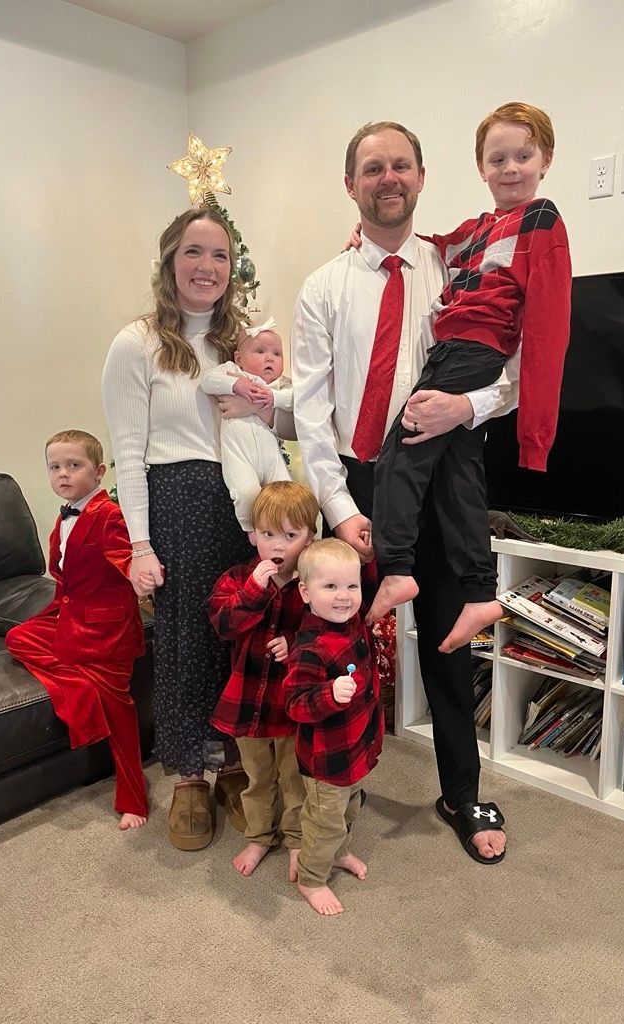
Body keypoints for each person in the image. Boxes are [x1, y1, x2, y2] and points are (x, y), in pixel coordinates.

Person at [291, 120, 516, 864]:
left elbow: (510, 377)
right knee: (341, 645)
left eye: (400, 166)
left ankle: (462, 788)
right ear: (350, 184)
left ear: (421, 177)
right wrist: (344, 510)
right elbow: (311, 411)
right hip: (360, 484)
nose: (387, 178)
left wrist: (467, 407)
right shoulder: (322, 287)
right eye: (371, 168)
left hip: (443, 483)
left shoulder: (462, 269)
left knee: (451, 644)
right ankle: (333, 783)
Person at [367, 102, 572, 649]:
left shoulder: (543, 218)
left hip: (474, 350)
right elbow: (432, 245)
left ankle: (395, 570)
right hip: (453, 346)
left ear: (545, 159)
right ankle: (482, 594)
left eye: (522, 156)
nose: (510, 168)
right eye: (497, 158)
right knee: (458, 474)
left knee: (400, 455)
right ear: (480, 167)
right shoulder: (479, 229)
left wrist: (535, 436)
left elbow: (550, 328)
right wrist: (358, 239)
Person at [102, 207, 256, 852]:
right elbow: (128, 452)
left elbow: (272, 422)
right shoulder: (136, 343)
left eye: (218, 256)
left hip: (243, 498)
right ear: (170, 262)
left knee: (241, 632)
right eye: (193, 253)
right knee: (186, 640)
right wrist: (139, 544)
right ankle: (189, 777)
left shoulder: (242, 342)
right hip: (175, 498)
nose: (206, 268)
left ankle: (236, 765)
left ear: (232, 268)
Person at [5, 429, 149, 830]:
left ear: (99, 471)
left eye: (74, 465)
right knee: (18, 637)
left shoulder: (109, 515)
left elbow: (127, 557)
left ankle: (134, 798)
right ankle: (80, 689)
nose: (63, 475)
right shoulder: (65, 513)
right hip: (69, 617)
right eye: (55, 467)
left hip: (106, 632)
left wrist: (140, 575)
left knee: (121, 715)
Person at [208, 480, 318, 878]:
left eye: (291, 535)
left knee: (294, 778)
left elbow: (331, 633)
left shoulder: (313, 584)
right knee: (256, 778)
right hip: (246, 699)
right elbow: (222, 623)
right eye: (268, 534)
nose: (278, 545)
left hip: (290, 704)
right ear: (253, 535)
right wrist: (255, 590)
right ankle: (259, 835)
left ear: (310, 538)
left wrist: (295, 645)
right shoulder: (239, 578)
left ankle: (294, 839)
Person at [284, 539, 383, 916]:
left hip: (355, 748)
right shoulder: (310, 648)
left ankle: (340, 853)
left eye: (351, 586)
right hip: (326, 762)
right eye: (331, 587)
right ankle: (310, 879)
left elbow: (369, 578)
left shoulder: (351, 621)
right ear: (306, 593)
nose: (343, 596)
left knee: (350, 810)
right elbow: (295, 704)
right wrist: (328, 694)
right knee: (324, 822)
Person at [200, 317, 293, 532]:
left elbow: (298, 399)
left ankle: (285, 535)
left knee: (285, 493)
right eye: (260, 351)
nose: (269, 358)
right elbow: (208, 381)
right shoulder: (232, 371)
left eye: (276, 353)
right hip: (239, 454)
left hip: (272, 457)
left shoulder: (279, 385)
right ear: (238, 358)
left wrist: (273, 398)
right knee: (246, 493)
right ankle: (252, 531)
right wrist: (236, 385)